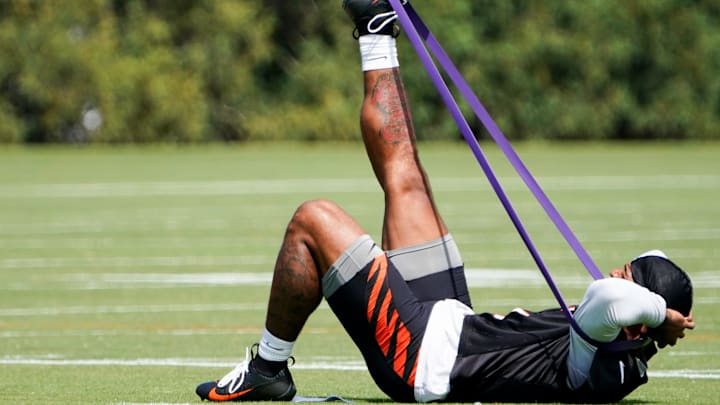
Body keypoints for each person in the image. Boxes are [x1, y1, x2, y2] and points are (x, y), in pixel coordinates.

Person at [195, 0, 695, 402]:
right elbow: (619, 296)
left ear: (641, 321)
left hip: (418, 360)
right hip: (451, 321)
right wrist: (656, 314)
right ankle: (375, 29)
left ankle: (268, 367)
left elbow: (610, 301)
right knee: (406, 177)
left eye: (625, 274)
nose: (610, 276)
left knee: (313, 219)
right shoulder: (622, 333)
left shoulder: (609, 362)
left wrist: (659, 315)